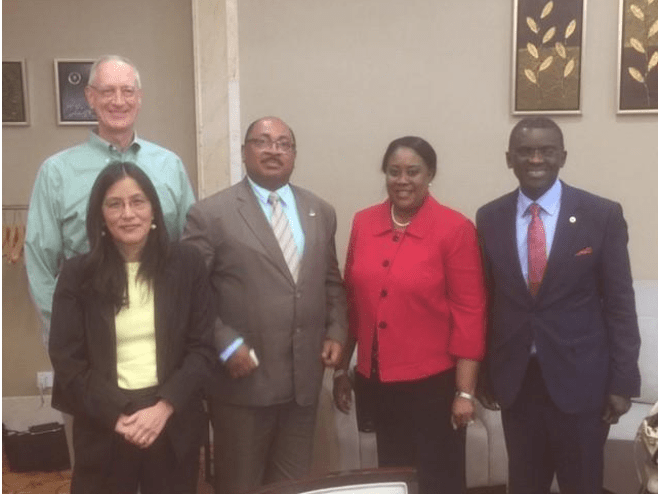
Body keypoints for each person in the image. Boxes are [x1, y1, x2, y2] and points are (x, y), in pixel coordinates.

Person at [476, 116, 641, 494]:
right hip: (518, 381)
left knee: (582, 486)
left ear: (562, 156)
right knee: (524, 485)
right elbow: (487, 298)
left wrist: (623, 381)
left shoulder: (601, 215)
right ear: (509, 158)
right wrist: (485, 372)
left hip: (582, 382)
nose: (536, 159)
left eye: (546, 151)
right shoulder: (490, 217)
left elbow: (620, 304)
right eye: (525, 151)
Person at [183, 116, 348, 494]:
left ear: (294, 155)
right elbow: (191, 293)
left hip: (302, 384)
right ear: (244, 152)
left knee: (293, 486)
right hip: (243, 384)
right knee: (240, 486)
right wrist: (224, 343)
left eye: (284, 143)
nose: (274, 150)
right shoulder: (211, 214)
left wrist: (337, 330)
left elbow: (331, 282)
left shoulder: (320, 211)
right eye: (262, 141)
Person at [332, 136, 487, 494]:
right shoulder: (363, 222)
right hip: (379, 382)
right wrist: (342, 369)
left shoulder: (455, 228)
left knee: (439, 480)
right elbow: (352, 302)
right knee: (393, 478)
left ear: (430, 174)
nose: (403, 180)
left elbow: (470, 311)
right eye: (394, 171)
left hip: (434, 384)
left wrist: (465, 391)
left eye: (413, 172)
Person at [48, 162, 214, 494]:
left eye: (138, 201)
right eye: (115, 204)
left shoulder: (188, 264)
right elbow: (67, 359)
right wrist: (118, 416)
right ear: (101, 216)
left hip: (170, 420)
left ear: (153, 210)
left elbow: (203, 348)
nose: (128, 213)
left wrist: (163, 408)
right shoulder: (77, 274)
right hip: (104, 422)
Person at [25, 54, 195, 344]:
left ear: (139, 98)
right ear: (90, 97)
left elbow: (190, 248)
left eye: (127, 91)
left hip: (163, 326)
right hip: (87, 329)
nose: (119, 101)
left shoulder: (170, 166)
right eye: (107, 91)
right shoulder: (57, 172)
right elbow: (40, 261)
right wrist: (63, 327)